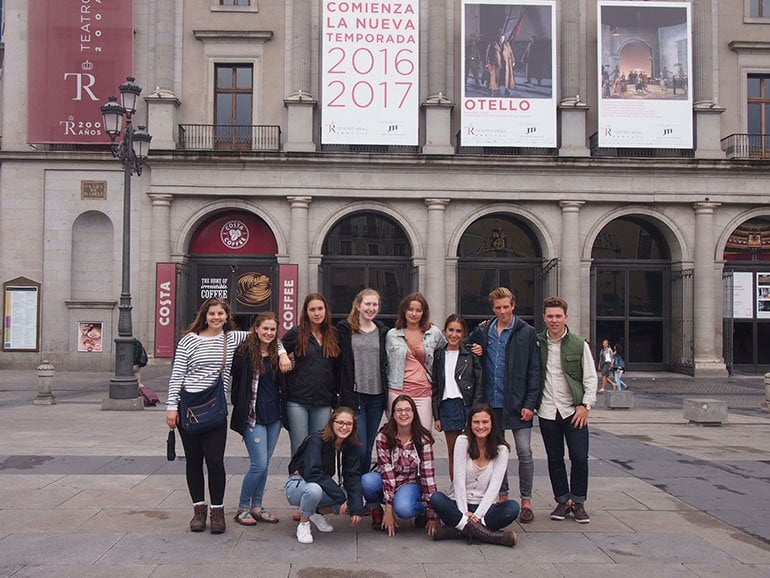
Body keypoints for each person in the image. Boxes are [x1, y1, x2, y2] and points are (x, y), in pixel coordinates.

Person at [166, 297, 290, 534]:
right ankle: (199, 511)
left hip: (216, 410)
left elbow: (268, 337)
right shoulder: (188, 341)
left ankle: (218, 511)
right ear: (204, 315)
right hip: (189, 407)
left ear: (226, 317)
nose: (216, 318)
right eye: (212, 314)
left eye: (220, 314)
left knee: (215, 461)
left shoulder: (231, 338)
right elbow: (177, 374)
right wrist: (171, 406)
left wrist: (283, 353)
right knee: (193, 461)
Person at [467, 287, 540, 524]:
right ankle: (503, 496)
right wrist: (475, 349)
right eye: (498, 308)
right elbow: (461, 344)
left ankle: (526, 501)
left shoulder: (526, 332)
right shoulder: (484, 330)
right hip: (491, 403)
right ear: (493, 309)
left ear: (513, 305)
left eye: (506, 307)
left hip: (518, 403)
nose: (502, 311)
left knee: (524, 451)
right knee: (498, 453)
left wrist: (531, 403)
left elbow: (534, 370)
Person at [537, 297, 598, 524]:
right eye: (550, 316)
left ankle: (579, 501)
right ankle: (562, 500)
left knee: (580, 458)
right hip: (547, 411)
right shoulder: (538, 343)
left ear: (566, 317)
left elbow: (590, 377)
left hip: (574, 411)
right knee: (555, 459)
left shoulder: (578, 343)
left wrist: (585, 405)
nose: (554, 320)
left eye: (558, 316)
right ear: (544, 317)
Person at [429, 403, 519, 546]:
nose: (481, 426)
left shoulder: (501, 449)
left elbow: (494, 488)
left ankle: (459, 530)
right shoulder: (462, 441)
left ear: (492, 424)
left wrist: (477, 516)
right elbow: (458, 481)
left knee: (512, 508)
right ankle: (487, 535)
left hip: (485, 509)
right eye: (476, 422)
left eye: (485, 422)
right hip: (459, 505)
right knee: (436, 499)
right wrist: (464, 512)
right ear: (470, 424)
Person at [230, 312, 286, 526]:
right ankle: (243, 508)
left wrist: (281, 352)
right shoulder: (244, 352)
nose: (269, 333)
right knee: (258, 464)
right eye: (265, 329)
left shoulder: (276, 352)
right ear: (256, 329)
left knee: (266, 464)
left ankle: (257, 506)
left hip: (274, 415)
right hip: (253, 415)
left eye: (273, 329)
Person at [362, 395, 439, 536]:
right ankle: (377, 512)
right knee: (367, 481)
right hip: (388, 480)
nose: (403, 414)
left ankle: (421, 510)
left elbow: (428, 476)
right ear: (393, 414)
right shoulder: (384, 436)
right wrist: (388, 510)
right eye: (399, 410)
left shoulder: (423, 438)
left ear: (414, 413)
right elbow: (387, 473)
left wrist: (432, 514)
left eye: (408, 410)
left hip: (410, 482)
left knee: (403, 509)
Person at [284, 406, 364, 544]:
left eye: (349, 424)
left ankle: (316, 513)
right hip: (298, 485)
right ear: (331, 423)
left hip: (322, 484)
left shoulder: (351, 445)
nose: (344, 427)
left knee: (359, 500)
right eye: (340, 422)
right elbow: (312, 473)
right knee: (314, 490)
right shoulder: (317, 439)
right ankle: (303, 524)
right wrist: (340, 497)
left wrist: (356, 508)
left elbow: (352, 476)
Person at [282, 293, 341, 456]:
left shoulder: (334, 335)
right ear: (306, 312)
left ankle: (314, 482)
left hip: (323, 402)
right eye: (312, 309)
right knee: (299, 449)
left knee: (318, 448)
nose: (317, 313)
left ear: (326, 310)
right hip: (297, 401)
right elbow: (277, 346)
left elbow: (338, 368)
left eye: (320, 308)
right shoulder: (296, 333)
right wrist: (282, 355)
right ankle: (296, 481)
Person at [337, 288, 389, 476]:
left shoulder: (383, 331)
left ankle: (362, 488)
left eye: (375, 304)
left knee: (367, 449)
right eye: (367, 304)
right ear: (358, 305)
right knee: (358, 445)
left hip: (376, 397)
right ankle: (350, 485)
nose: (371, 308)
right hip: (355, 396)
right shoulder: (345, 329)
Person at [385, 292, 446, 432]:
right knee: (398, 436)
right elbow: (385, 362)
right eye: (410, 309)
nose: (414, 313)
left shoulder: (434, 333)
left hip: (423, 392)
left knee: (423, 436)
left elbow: (448, 350)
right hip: (397, 391)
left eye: (418, 310)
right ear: (404, 310)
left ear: (423, 313)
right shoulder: (392, 335)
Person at [432, 314, 482, 481]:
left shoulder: (470, 354)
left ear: (463, 333)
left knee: (472, 451)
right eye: (451, 330)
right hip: (447, 406)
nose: (454, 334)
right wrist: (436, 415)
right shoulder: (439, 355)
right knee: (453, 452)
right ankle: (456, 491)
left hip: (466, 405)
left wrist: (475, 412)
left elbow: (478, 384)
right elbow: (436, 387)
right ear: (445, 331)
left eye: (458, 331)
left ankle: (473, 489)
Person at [485, 33, 515, 97]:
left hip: (505, 64)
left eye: (503, 38)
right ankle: (491, 91)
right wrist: (487, 64)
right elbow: (488, 54)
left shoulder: (507, 44)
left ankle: (506, 90)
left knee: (505, 78)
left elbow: (510, 53)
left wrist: (513, 61)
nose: (501, 39)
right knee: (492, 78)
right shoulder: (493, 44)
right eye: (500, 38)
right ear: (498, 38)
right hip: (494, 64)